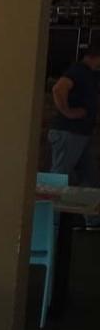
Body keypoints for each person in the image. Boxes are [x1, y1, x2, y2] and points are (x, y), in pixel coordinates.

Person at [49, 47, 100, 227]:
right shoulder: (78, 71)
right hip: (68, 132)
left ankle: (92, 222)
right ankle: (49, 225)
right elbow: (58, 89)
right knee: (58, 178)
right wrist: (67, 112)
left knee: (90, 177)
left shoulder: (91, 75)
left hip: (81, 134)